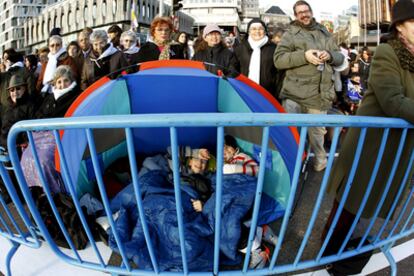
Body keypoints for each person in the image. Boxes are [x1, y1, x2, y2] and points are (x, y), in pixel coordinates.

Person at [324, 0, 414, 271]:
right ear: (400, 27)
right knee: (350, 205)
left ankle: (349, 256)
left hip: (398, 147)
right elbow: (393, 100)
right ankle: (330, 257)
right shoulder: (388, 52)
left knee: (371, 207)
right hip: (372, 146)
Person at [273, 0, 345, 172]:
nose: (304, 14)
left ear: (311, 11)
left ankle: (320, 159)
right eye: (300, 12)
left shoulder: (325, 32)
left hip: (319, 95)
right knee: (292, 134)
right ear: (295, 15)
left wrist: (329, 55)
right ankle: (293, 164)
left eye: (306, 11)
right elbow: (279, 60)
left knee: (317, 134)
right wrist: (304, 55)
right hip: (294, 94)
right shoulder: (290, 34)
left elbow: (340, 58)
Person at [21, 65, 80, 194]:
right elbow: (38, 114)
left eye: (66, 81)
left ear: (71, 81)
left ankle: (54, 192)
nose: (62, 84)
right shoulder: (49, 98)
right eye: (59, 81)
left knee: (44, 160)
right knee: (26, 157)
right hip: (42, 135)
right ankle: (36, 192)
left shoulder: (75, 96)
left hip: (61, 135)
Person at [234, 18, 279, 99]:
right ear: (249, 31)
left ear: (265, 31)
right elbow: (234, 70)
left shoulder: (274, 48)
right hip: (244, 90)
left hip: (269, 93)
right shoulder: (240, 49)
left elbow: (278, 72)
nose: (257, 32)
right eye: (254, 29)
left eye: (260, 29)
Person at [0, 74, 35, 150]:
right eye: (12, 90)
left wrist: (17, 142)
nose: (15, 92)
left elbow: (30, 130)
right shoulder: (8, 107)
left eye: (18, 88)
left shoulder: (30, 106)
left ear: (24, 89)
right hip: (4, 147)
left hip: (18, 149)